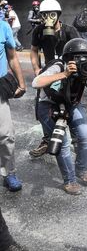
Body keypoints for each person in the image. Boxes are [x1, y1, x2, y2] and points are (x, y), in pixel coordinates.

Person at [32, 38, 87, 195]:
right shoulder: (58, 66)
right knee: (62, 143)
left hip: (71, 104)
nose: (83, 61)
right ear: (69, 58)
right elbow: (36, 82)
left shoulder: (84, 72)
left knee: (85, 135)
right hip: (49, 104)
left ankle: (81, 170)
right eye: (79, 57)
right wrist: (65, 74)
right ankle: (69, 180)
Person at [28, 0, 80, 158]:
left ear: (58, 15)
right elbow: (34, 50)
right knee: (43, 106)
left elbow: (79, 51)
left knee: (71, 104)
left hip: (68, 73)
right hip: (49, 74)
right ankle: (47, 139)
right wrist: (37, 69)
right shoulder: (39, 31)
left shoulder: (70, 31)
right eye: (44, 15)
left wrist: (74, 71)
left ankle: (77, 140)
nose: (47, 18)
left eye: (51, 14)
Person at [0, 17, 26, 192]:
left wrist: (21, 83)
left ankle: (9, 172)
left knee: (6, 135)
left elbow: (12, 57)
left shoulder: (2, 26)